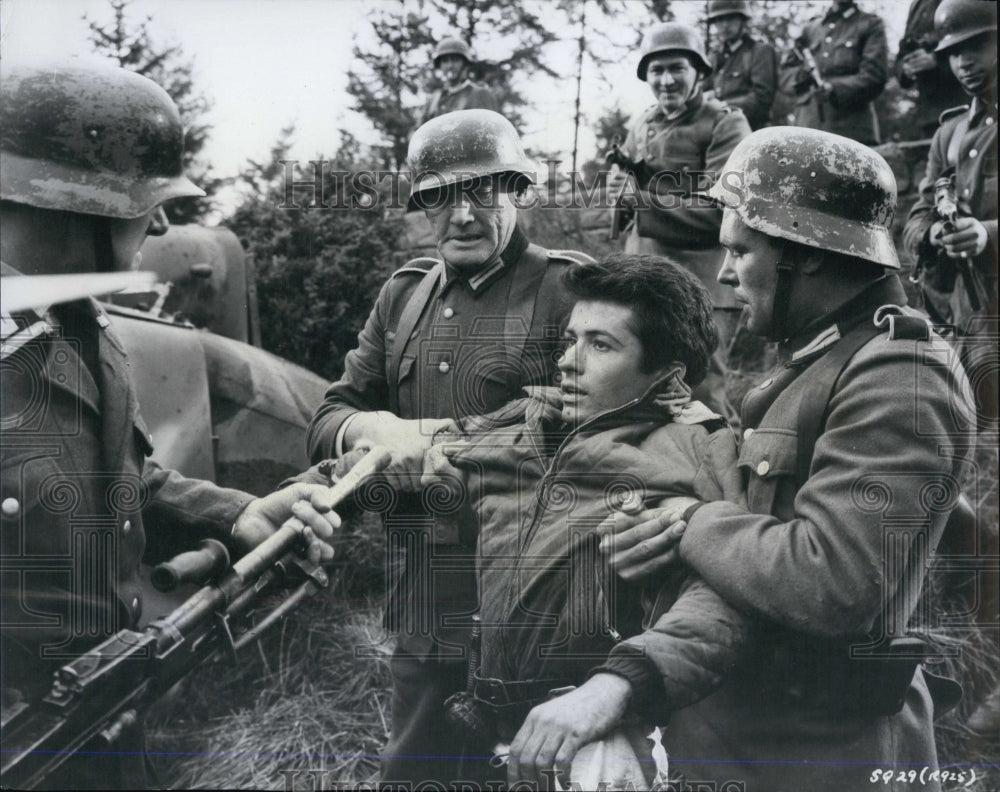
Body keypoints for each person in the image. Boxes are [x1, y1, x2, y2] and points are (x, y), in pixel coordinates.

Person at [598, 127, 976, 791]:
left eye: (741, 251)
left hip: (823, 749)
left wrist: (690, 523)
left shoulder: (899, 376)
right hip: (746, 731)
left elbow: (833, 582)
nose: (723, 273)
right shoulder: (819, 362)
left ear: (807, 255)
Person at [0, 62, 339, 789]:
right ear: (74, 205)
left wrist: (242, 512)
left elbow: (118, 476)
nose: (158, 224)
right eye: (140, 203)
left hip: (101, 730)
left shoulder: (83, 326)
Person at [305, 109, 592, 786]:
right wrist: (370, 431)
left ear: (516, 192)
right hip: (427, 608)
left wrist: (444, 440)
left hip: (538, 609)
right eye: (439, 198)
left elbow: (608, 423)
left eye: (482, 193)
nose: (462, 216)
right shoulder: (405, 296)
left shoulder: (568, 290)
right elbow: (328, 414)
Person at [423, 254, 747, 788]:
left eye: (601, 345)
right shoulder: (524, 421)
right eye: (571, 339)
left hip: (604, 744)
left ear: (667, 378)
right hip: (492, 732)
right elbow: (418, 458)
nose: (569, 362)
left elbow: (726, 601)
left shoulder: (698, 452)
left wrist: (620, 685)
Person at [607, 21, 752, 423]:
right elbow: (627, 207)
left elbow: (725, 210)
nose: (666, 80)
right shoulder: (643, 123)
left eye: (677, 68)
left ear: (699, 72)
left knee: (701, 392)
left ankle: (724, 479)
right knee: (642, 390)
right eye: (657, 70)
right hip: (646, 276)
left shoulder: (726, 123)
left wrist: (639, 198)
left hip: (703, 282)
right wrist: (621, 187)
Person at [903, 0, 997, 429]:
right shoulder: (950, 133)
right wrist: (933, 235)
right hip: (967, 312)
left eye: (976, 46)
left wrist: (988, 234)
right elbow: (918, 214)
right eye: (953, 53)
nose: (964, 62)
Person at [786, 0, 888, 145]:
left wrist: (834, 88)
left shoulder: (870, 25)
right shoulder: (811, 28)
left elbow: (874, 77)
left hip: (851, 133)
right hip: (807, 131)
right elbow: (785, 74)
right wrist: (801, 76)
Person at [895, 0, 965, 140]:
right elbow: (903, 53)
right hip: (929, 116)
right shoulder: (917, 5)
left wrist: (937, 61)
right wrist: (907, 68)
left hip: (962, 106)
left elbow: (981, 45)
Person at [707, 0, 778, 131]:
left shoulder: (759, 51)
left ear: (742, 21)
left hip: (751, 129)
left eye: (730, 18)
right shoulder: (714, 56)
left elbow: (762, 98)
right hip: (718, 130)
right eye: (719, 19)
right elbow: (705, 89)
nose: (724, 25)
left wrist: (722, 106)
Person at [418, 37, 500, 126]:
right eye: (445, 61)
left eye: (455, 60)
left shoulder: (479, 94)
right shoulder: (434, 100)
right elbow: (420, 133)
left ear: (466, 64)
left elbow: (487, 131)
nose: (449, 66)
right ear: (440, 65)